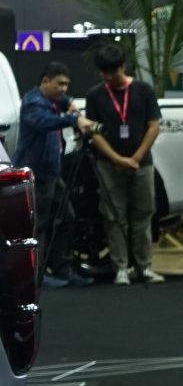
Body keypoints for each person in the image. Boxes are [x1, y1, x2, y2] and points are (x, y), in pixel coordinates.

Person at [84, 41, 164, 286]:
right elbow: (93, 132)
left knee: (143, 214)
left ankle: (144, 266)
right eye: (103, 73)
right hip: (109, 165)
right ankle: (120, 268)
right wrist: (118, 159)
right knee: (113, 216)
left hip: (142, 163)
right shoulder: (95, 95)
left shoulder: (143, 90)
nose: (107, 77)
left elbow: (154, 126)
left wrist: (136, 158)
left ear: (122, 67)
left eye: (112, 72)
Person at [17, 59, 98, 288]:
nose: (64, 89)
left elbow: (63, 101)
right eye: (60, 84)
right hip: (37, 175)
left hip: (52, 174)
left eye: (66, 85)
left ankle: (63, 268)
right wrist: (74, 118)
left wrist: (70, 103)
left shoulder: (52, 99)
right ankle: (39, 275)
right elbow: (44, 122)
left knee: (67, 218)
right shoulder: (33, 103)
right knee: (39, 225)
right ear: (45, 81)